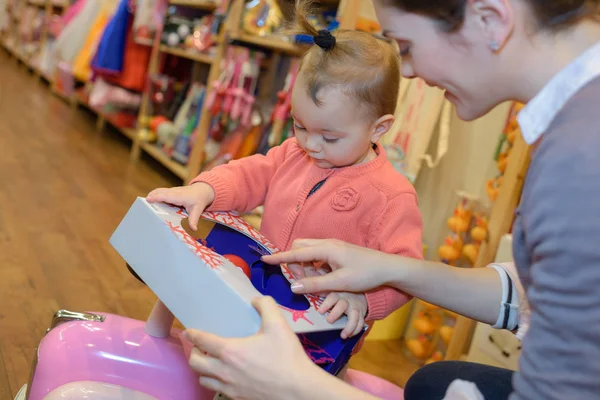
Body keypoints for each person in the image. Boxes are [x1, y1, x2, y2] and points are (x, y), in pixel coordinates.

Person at [181, 0, 600, 399]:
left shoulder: (577, 161)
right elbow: (527, 294)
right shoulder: (573, 138)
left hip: (315, 341)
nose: (411, 73)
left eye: (407, 46)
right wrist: (207, 188)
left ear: (490, 19)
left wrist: (301, 383)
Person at [147, 2, 423, 341]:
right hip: (260, 302)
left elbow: (407, 272)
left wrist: (364, 299)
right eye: (300, 125)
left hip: (318, 333)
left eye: (330, 137)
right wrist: (204, 190)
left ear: (379, 129)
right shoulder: (293, 153)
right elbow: (250, 175)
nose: (311, 144)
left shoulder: (391, 197)